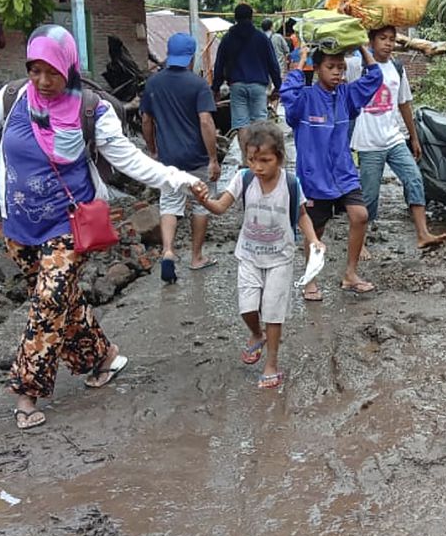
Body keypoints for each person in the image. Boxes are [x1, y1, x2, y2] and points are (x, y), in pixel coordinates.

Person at [0, 25, 201, 430]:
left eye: (51, 72)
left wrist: (178, 179)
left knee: (49, 301)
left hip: (69, 225)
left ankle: (25, 391)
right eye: (35, 70)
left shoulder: (92, 110)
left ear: (69, 67)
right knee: (62, 301)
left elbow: (130, 161)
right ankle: (101, 358)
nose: (42, 81)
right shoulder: (12, 98)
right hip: (18, 227)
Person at [192, 122, 321, 389]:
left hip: (280, 258)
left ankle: (271, 363)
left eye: (265, 161)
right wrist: (204, 200)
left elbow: (301, 216)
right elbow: (220, 207)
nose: (258, 167)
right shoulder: (243, 178)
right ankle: (255, 333)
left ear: (280, 159)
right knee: (247, 308)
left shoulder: (290, 183)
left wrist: (314, 240)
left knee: (274, 313)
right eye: (252, 160)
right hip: (249, 255)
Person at [282, 44, 382, 300]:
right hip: (315, 177)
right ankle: (310, 280)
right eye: (330, 67)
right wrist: (301, 59)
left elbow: (374, 78)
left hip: (344, 172)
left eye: (341, 67)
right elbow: (287, 94)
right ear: (316, 70)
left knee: (360, 216)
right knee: (315, 230)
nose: (337, 72)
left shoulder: (347, 95)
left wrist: (361, 45)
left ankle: (350, 274)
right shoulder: (304, 99)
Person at [345, 25, 446, 251]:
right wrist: (360, 44)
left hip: (394, 138)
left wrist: (414, 137)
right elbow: (337, 59)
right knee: (369, 194)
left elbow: (404, 103)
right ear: (371, 40)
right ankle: (359, 243)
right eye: (382, 38)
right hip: (368, 142)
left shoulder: (397, 68)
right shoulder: (356, 67)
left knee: (414, 179)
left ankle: (422, 233)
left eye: (392, 39)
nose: (388, 43)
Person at [141, 32, 220, 282]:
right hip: (196, 158)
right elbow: (206, 121)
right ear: (191, 56)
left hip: (168, 160)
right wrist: (213, 158)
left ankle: (167, 251)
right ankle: (196, 258)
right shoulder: (198, 85)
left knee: (169, 205)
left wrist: (152, 149)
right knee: (200, 204)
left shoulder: (153, 84)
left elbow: (146, 120)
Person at [211, 3, 283, 146]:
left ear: (235, 18)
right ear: (251, 17)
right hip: (258, 85)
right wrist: (278, 86)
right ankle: (260, 157)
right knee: (260, 123)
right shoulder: (261, 38)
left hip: (237, 85)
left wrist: (215, 88)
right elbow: (273, 64)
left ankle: (246, 159)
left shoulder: (227, 39)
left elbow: (219, 65)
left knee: (241, 124)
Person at [285, 18, 314, 86]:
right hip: (309, 65)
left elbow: (289, 51)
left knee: (298, 84)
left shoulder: (292, 37)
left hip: (297, 65)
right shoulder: (309, 36)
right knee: (308, 84)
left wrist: (289, 63)